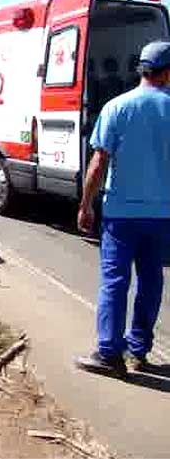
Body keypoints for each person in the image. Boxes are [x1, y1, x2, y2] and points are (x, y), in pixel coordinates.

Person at [75, 40, 170, 377]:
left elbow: (98, 164)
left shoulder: (116, 107)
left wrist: (85, 205)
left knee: (115, 281)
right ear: (167, 73)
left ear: (140, 69)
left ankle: (108, 354)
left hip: (120, 214)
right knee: (150, 281)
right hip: (161, 216)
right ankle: (138, 349)